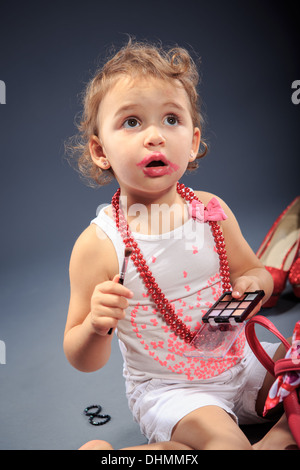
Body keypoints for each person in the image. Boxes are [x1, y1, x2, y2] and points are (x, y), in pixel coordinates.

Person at [63, 39, 297, 450]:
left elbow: (255, 272)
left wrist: (253, 287)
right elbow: (82, 358)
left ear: (191, 142)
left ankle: (269, 442)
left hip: (244, 364)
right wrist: (97, 326)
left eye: (171, 119)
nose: (155, 136)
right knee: (228, 445)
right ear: (101, 151)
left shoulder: (211, 210)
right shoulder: (99, 244)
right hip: (175, 391)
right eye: (132, 122)